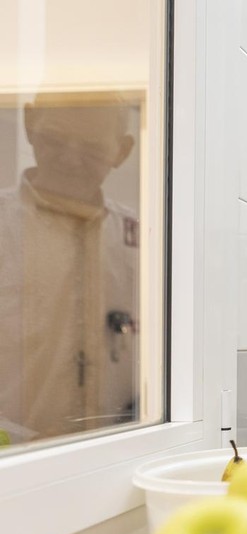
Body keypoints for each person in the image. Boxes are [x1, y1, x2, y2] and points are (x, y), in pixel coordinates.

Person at [0, 93, 140, 444]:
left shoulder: (141, 242)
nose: (70, 159)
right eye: (55, 140)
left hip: (117, 454)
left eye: (92, 149)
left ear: (122, 151)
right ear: (30, 124)